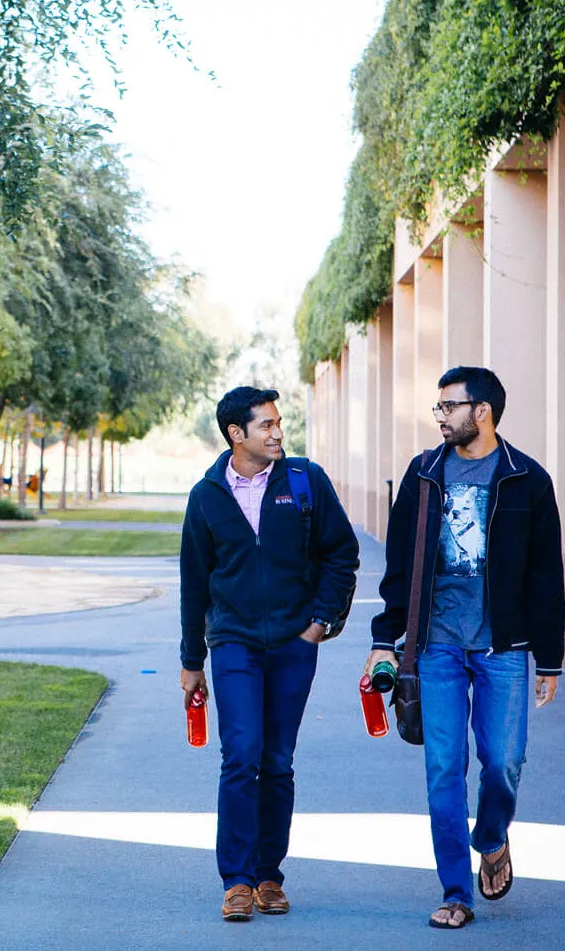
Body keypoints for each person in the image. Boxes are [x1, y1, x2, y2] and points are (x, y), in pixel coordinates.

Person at [368, 366, 564, 930]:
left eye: (448, 406)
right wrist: (386, 640)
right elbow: (400, 563)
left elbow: (546, 575)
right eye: (438, 407)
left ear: (482, 410)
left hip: (502, 646)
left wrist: (548, 657)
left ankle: (494, 836)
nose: (440, 416)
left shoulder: (527, 478)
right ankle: (456, 890)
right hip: (438, 647)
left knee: (504, 762)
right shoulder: (424, 473)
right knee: (443, 768)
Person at [179, 387, 360, 922]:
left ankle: (268, 876)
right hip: (232, 643)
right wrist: (192, 662)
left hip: (292, 644)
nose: (278, 432)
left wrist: (318, 624)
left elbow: (341, 554)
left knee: (277, 761)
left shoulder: (306, 482)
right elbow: (194, 584)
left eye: (279, 423)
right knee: (241, 755)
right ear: (237, 434)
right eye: (267, 425)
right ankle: (236, 881)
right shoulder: (207, 495)